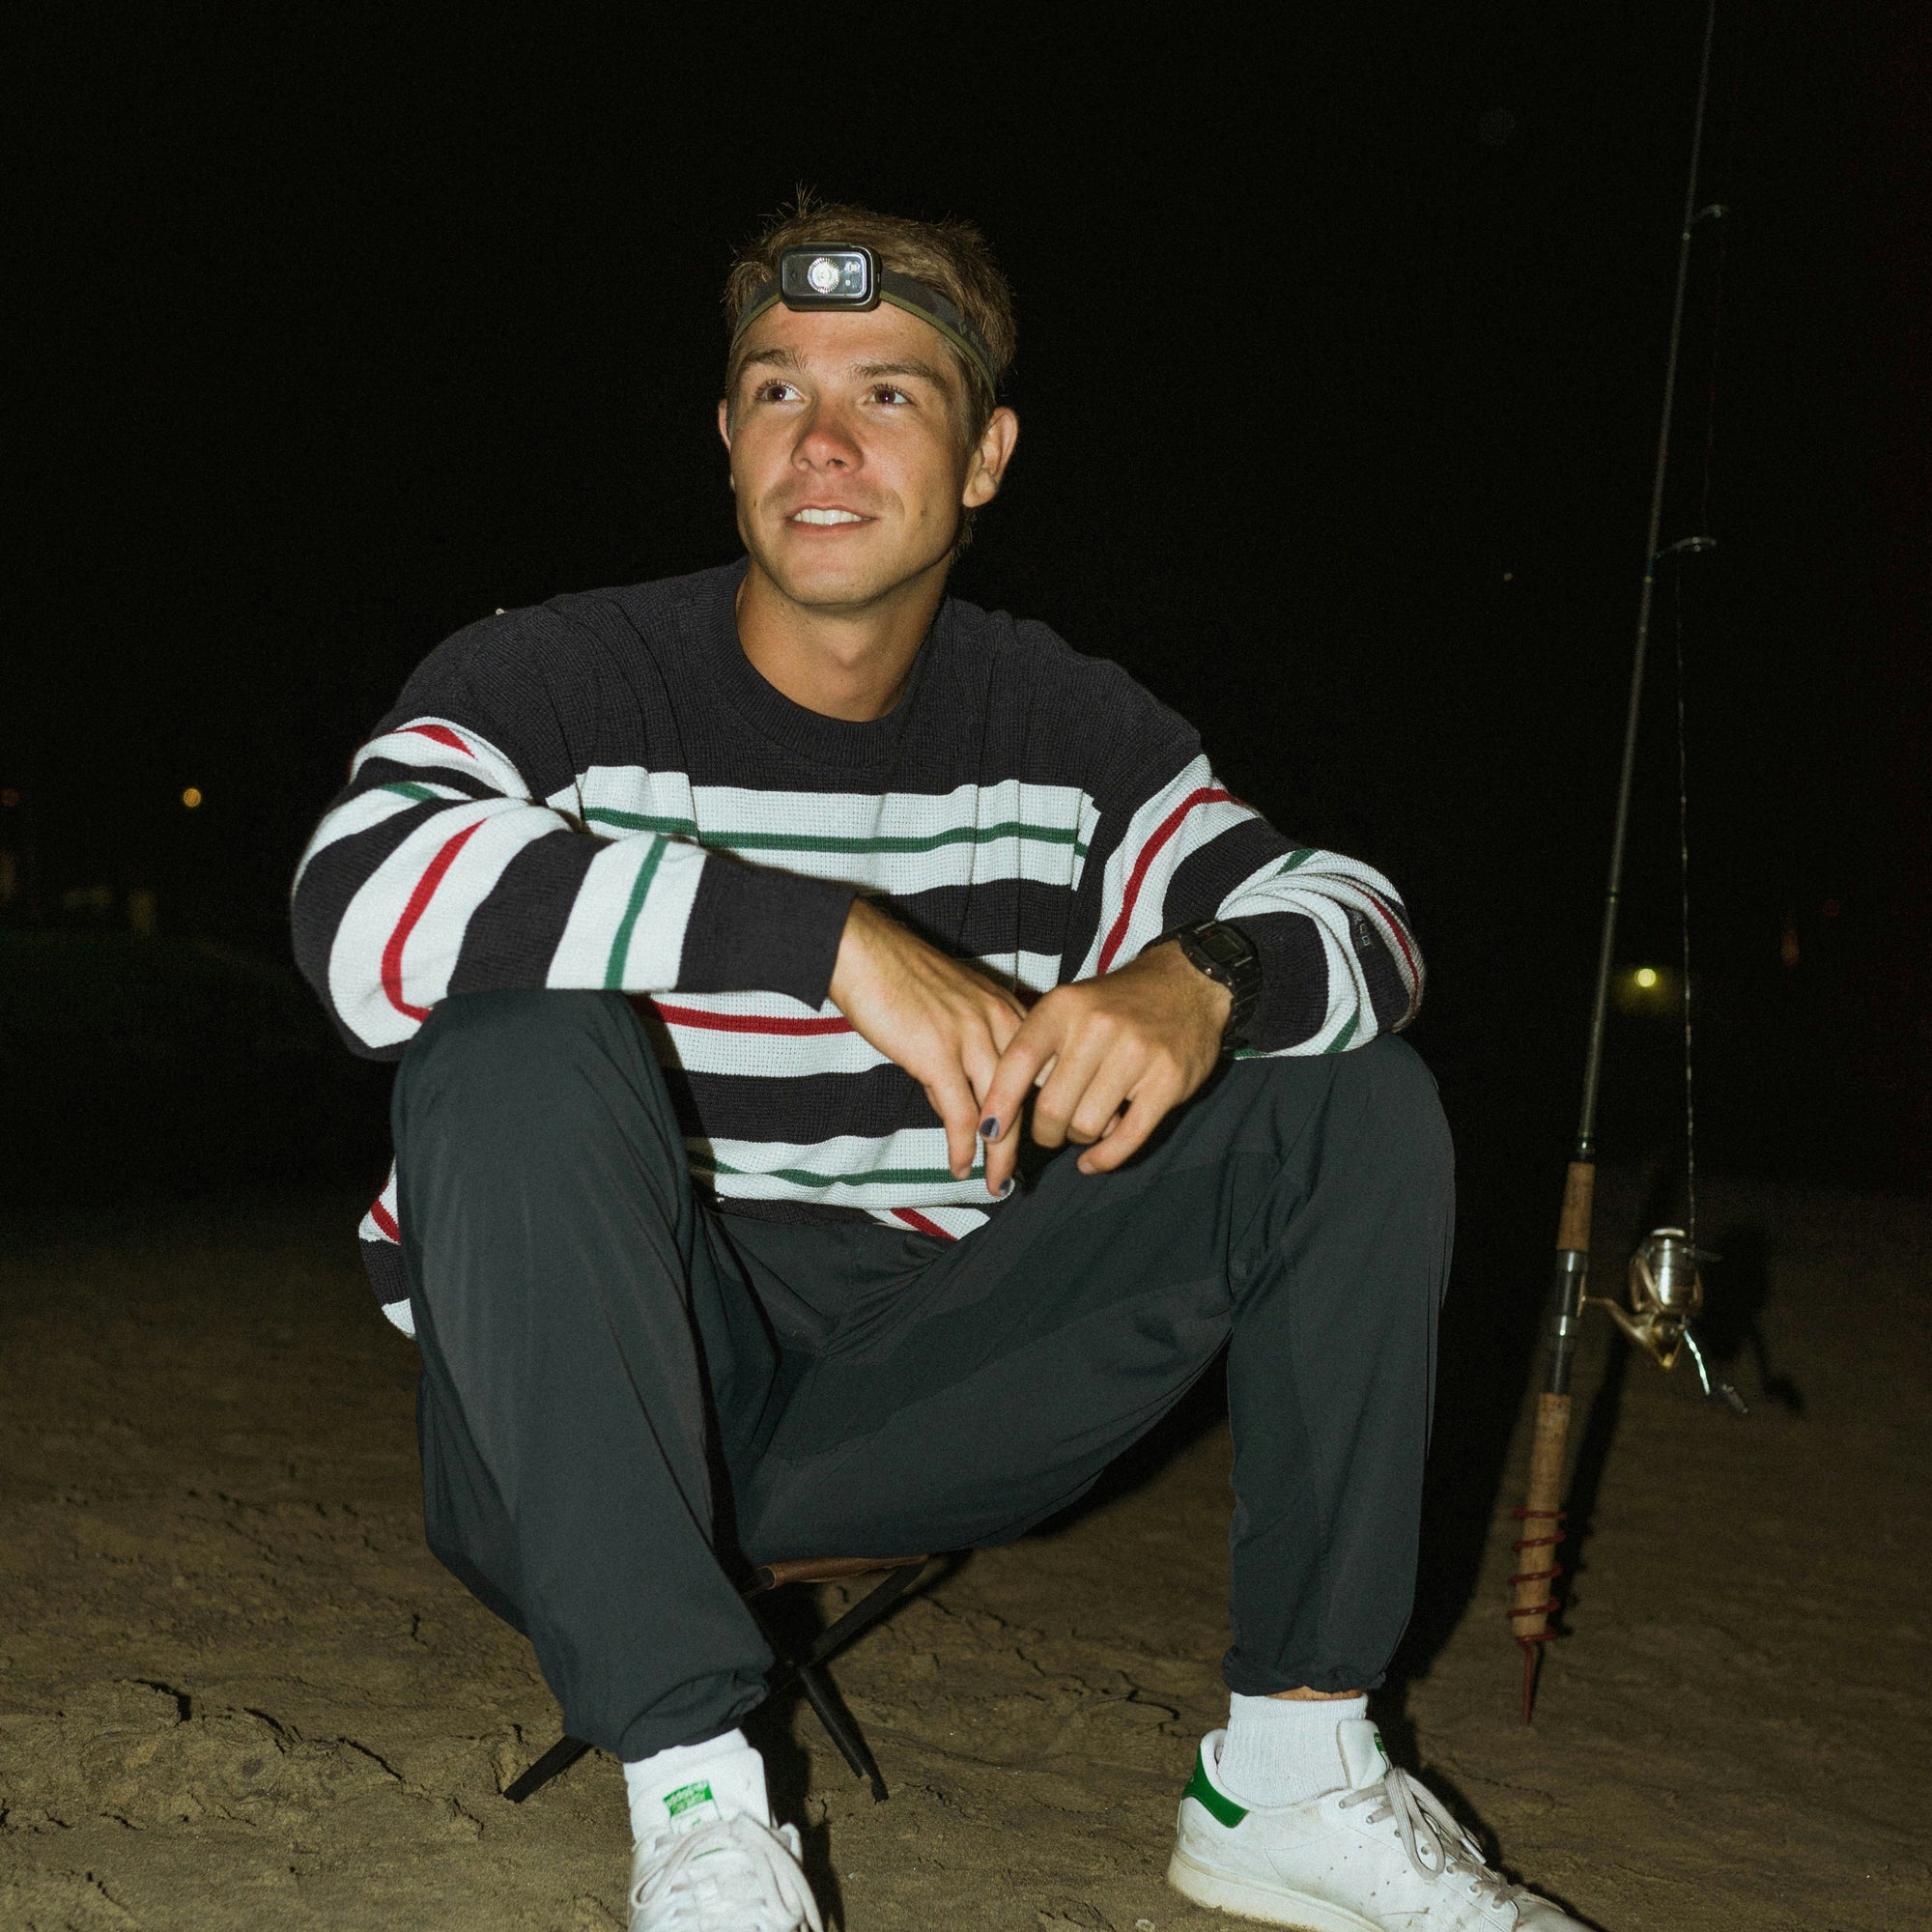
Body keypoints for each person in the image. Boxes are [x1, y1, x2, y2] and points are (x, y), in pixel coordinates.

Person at [293, 200, 1584, 1932]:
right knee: (515, 1035)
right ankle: (699, 1808)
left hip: (922, 1377)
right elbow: (352, 902)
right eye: (775, 392)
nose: (821, 444)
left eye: (887, 396)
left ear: (986, 459)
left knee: (1347, 1094)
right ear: (727, 438)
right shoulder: (558, 676)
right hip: (583, 1391)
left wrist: (1201, 975)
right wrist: (818, 935)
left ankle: (1294, 1773)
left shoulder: (1064, 728)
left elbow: (1367, 927)